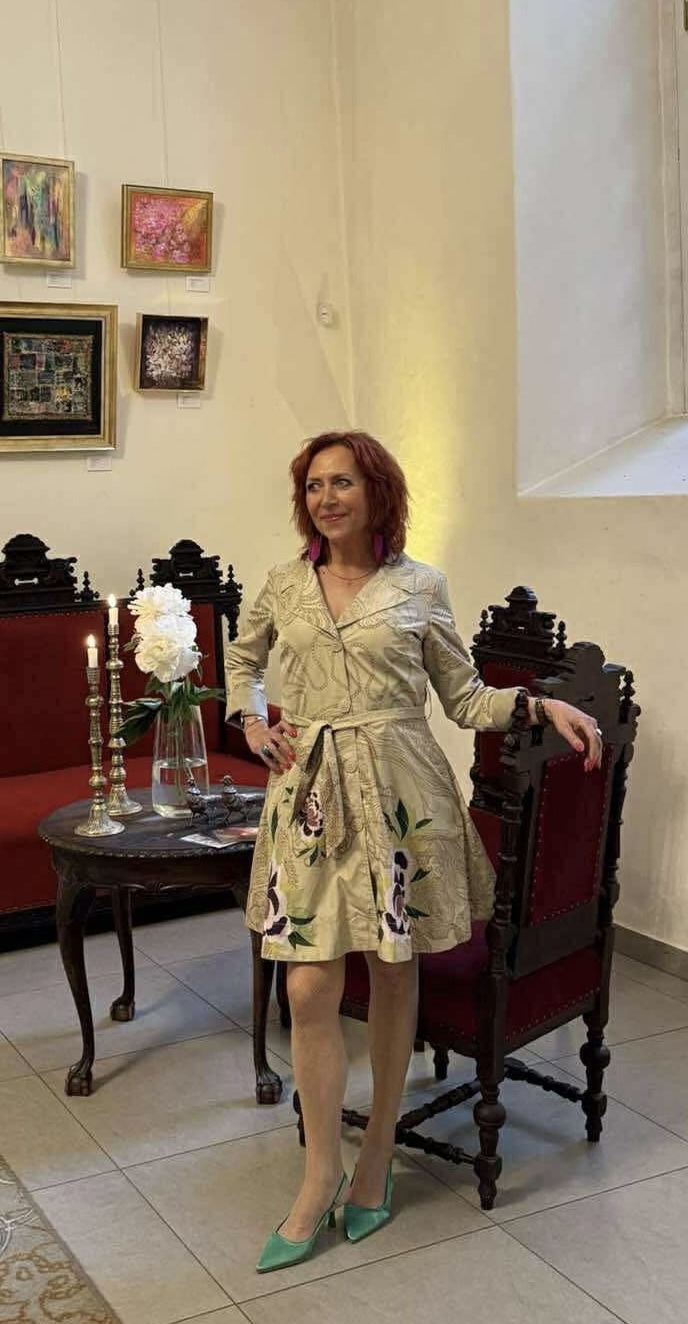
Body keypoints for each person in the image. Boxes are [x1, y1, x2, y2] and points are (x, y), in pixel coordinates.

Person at [225, 430, 602, 1273]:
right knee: (309, 985)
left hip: (401, 794)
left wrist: (538, 706)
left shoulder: (419, 585)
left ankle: (375, 1156)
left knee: (393, 970)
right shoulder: (283, 583)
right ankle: (319, 1171)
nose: (327, 498)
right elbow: (242, 661)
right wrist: (250, 720)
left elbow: (463, 699)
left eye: (343, 483)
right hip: (311, 796)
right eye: (314, 485)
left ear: (376, 492)